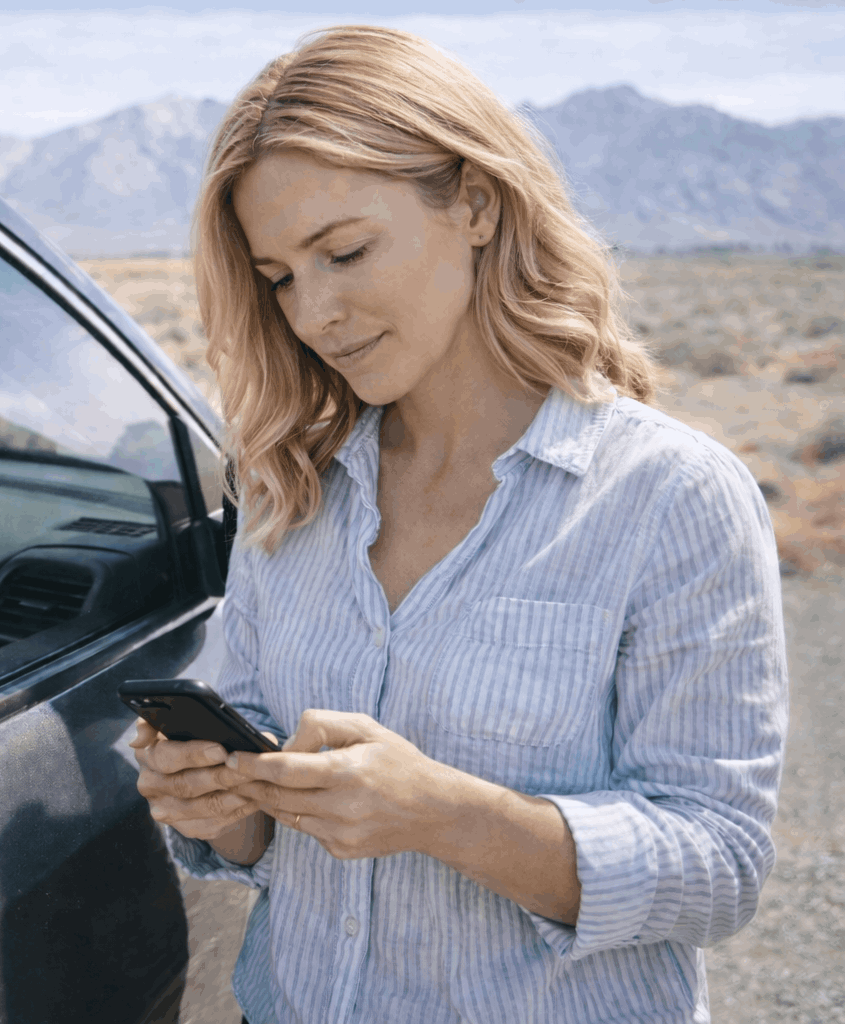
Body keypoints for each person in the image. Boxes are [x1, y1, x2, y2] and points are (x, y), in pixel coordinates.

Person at [131, 25, 787, 1024]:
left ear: (476, 203)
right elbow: (269, 831)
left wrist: (446, 813)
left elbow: (720, 867)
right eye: (280, 277)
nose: (315, 314)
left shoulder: (671, 497)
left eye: (344, 251)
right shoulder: (289, 491)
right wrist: (221, 806)